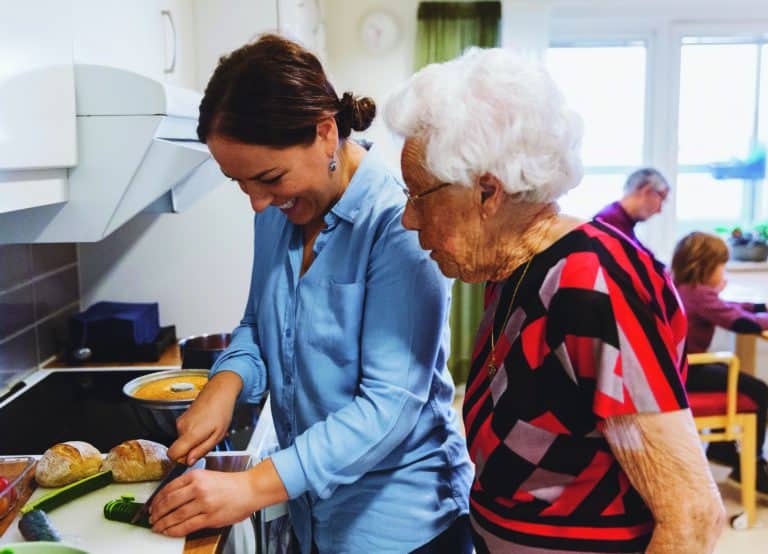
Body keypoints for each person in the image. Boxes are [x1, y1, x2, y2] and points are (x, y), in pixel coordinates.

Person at [385, 47, 724, 553]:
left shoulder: (593, 283)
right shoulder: (514, 272)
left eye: (419, 196)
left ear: (487, 192)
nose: (409, 219)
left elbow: (693, 517)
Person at [147, 34, 473, 553]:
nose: (256, 203)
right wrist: (225, 385)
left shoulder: (397, 225)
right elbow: (258, 324)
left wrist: (250, 487)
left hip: (400, 526)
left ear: (325, 133)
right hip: (311, 516)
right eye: (239, 182)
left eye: (268, 177)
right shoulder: (280, 212)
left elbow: (388, 407)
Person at [671, 231, 768, 493]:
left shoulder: (683, 287)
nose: (723, 272)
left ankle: (723, 450)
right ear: (706, 267)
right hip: (689, 372)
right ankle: (751, 464)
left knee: (729, 375)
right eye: (721, 266)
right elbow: (740, 322)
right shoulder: (700, 294)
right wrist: (759, 315)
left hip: (677, 368)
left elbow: (729, 308)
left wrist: (758, 306)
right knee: (759, 391)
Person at [594, 167, 670, 245]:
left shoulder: (622, 224)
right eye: (662, 199)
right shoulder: (607, 225)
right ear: (647, 191)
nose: (659, 210)